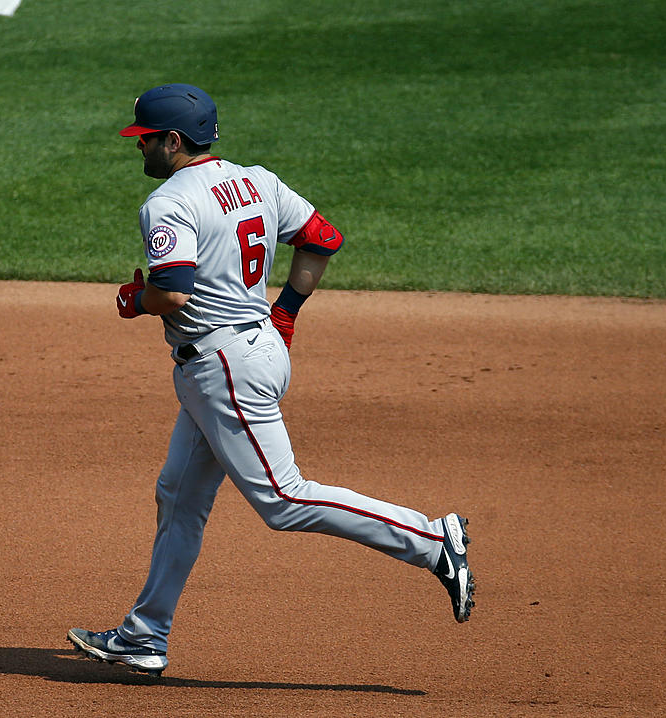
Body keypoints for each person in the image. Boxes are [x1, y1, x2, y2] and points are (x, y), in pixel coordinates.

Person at [67, 84, 474, 676]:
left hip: (224, 367)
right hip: (253, 350)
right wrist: (286, 310)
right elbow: (322, 238)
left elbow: (173, 291)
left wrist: (136, 299)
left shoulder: (170, 202)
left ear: (173, 141)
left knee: (282, 499)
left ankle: (434, 541)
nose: (141, 149)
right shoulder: (257, 180)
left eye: (146, 139)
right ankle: (144, 635)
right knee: (178, 498)